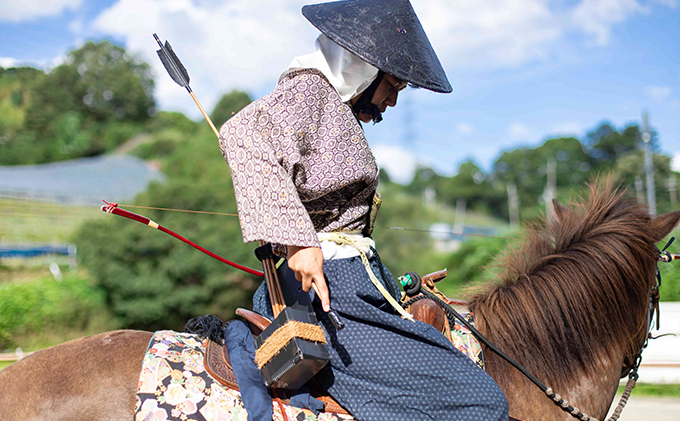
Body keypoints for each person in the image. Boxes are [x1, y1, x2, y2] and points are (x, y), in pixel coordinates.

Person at [218, 0, 509, 420]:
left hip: (353, 286)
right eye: (392, 85)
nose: (391, 101)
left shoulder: (332, 107)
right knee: (480, 403)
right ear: (363, 67)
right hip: (328, 293)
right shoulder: (310, 92)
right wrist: (297, 242)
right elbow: (243, 133)